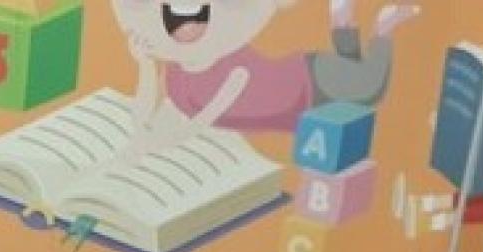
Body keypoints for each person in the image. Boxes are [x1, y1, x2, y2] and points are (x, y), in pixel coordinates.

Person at [111, 0, 418, 156]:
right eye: (176, 23)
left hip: (306, 82)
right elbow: (142, 116)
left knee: (371, 87)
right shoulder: (175, 75)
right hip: (300, 99)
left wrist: (151, 142)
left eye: (195, 22)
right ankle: (342, 18)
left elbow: (194, 126)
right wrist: (144, 65)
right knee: (357, 89)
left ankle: (383, 28)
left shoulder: (231, 75)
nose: (186, 32)